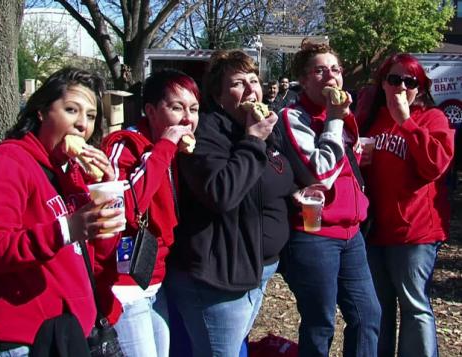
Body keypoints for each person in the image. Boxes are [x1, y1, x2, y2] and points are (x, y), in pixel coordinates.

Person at [165, 50, 295, 357]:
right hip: (218, 277)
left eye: (254, 80)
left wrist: (299, 191)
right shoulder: (207, 132)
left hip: (258, 270)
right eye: (239, 83)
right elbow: (221, 193)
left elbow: (271, 178)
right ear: (218, 96)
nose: (252, 89)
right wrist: (252, 141)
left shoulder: (259, 127)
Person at [0, 67, 124, 356]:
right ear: (41, 112)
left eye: (90, 116)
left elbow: (98, 256)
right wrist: (66, 229)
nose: (82, 125)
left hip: (70, 336)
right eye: (71, 110)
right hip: (23, 342)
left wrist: (108, 193)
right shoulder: (8, 161)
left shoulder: (71, 175)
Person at [277, 40, 381, 357]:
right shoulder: (294, 117)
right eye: (319, 71)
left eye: (335, 69)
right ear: (304, 80)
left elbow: (340, 162)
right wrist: (336, 119)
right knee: (320, 322)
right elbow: (320, 174)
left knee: (368, 315)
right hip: (315, 235)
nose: (331, 77)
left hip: (352, 234)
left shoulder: (337, 113)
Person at [356, 53, 455, 357]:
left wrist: (407, 123)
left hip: (415, 232)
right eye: (394, 79)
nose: (401, 87)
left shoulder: (432, 118)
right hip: (375, 230)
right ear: (382, 83)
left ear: (419, 88)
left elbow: (435, 166)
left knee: (414, 306)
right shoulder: (373, 118)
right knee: (380, 307)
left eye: (409, 81)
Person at [98, 69, 199, 357]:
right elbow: (127, 206)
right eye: (176, 107)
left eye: (193, 108)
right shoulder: (125, 144)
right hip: (126, 285)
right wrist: (165, 146)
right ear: (151, 111)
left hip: (157, 279)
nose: (187, 118)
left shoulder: (179, 151)